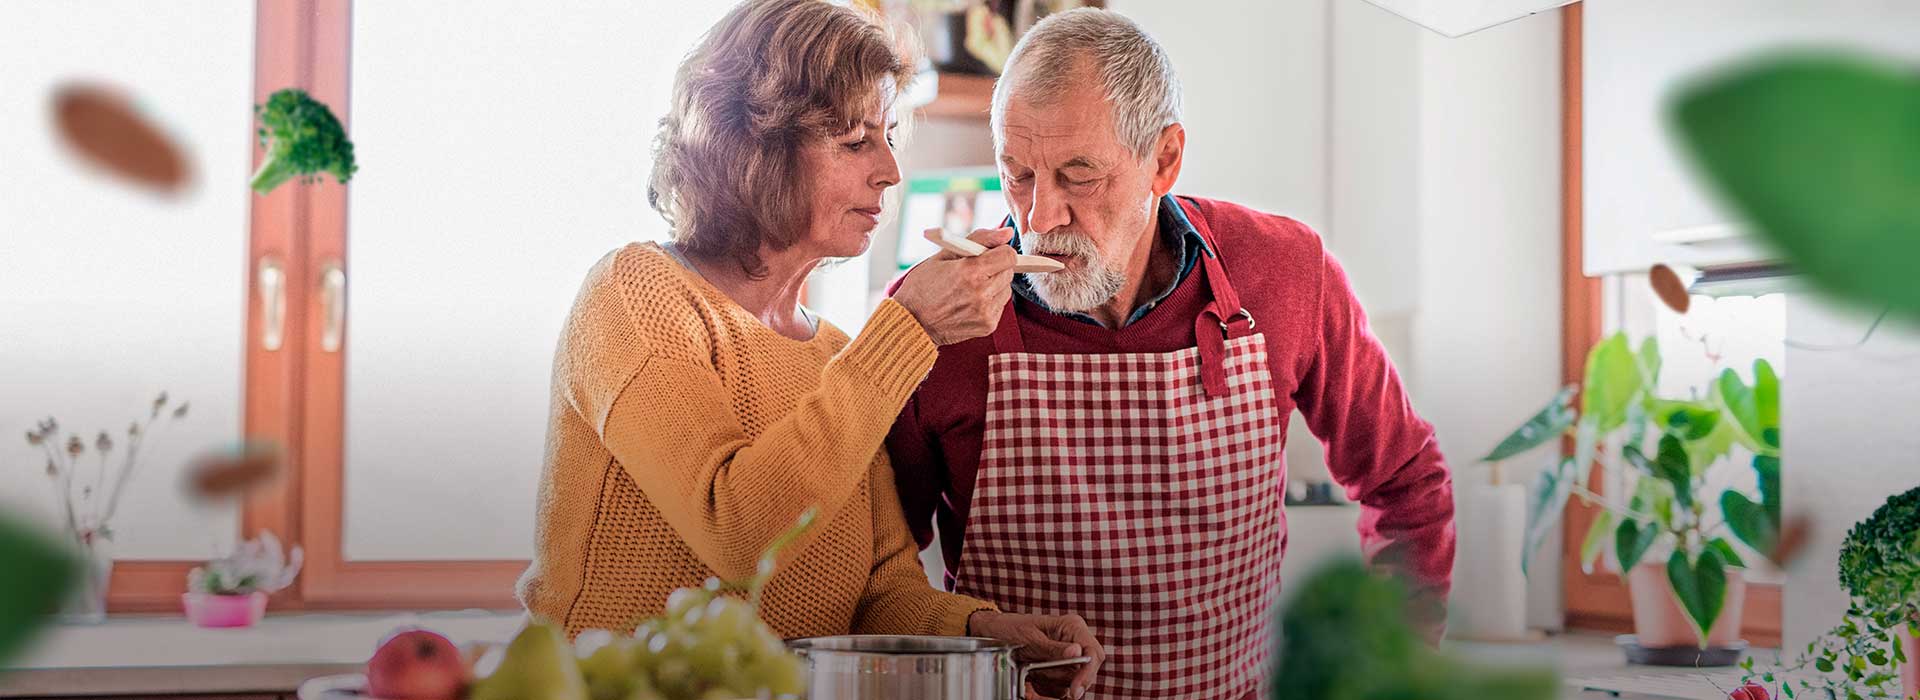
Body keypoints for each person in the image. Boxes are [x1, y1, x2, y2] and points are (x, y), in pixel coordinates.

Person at [517, 2, 1103, 696]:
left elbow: (884, 590)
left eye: (888, 136)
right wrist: (907, 332)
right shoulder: (636, 296)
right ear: (751, 147)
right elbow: (737, 532)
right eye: (856, 141)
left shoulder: (836, 354)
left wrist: (986, 630)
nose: (889, 169)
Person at [886, 8, 1457, 698]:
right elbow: (881, 567)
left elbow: (1405, 479)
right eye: (1018, 175)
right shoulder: (938, 320)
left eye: (1078, 176)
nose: (1039, 218)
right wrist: (965, 633)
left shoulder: (1283, 271)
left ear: (1164, 159)